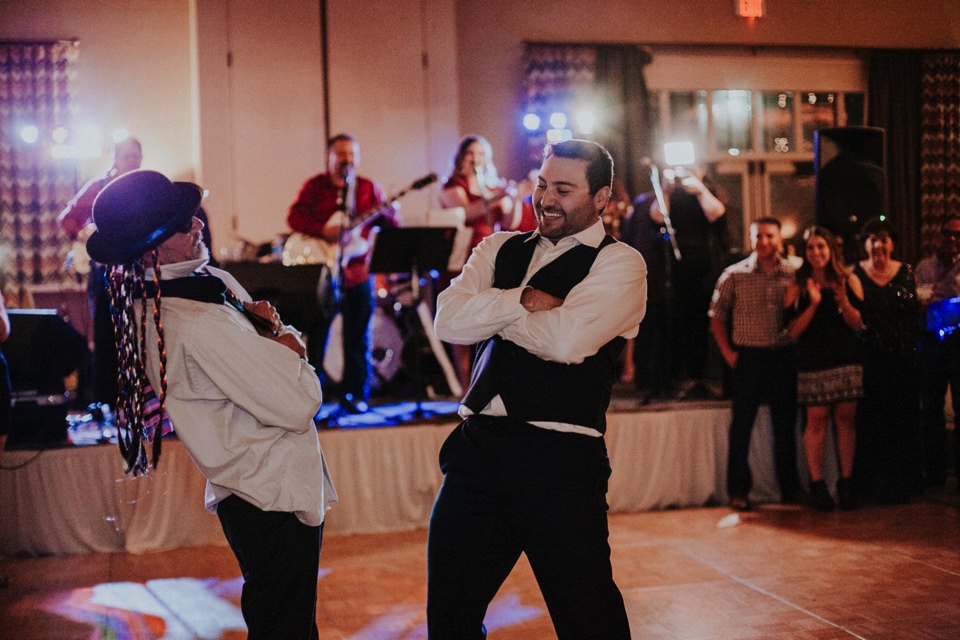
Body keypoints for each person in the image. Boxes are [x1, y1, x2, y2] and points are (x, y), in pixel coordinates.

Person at [86, 169, 335, 639]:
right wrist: (287, 340)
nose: (200, 225)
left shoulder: (198, 284)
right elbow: (301, 402)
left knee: (288, 618)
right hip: (267, 493)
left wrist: (272, 339)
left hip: (262, 485)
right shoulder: (193, 323)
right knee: (285, 625)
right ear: (154, 249)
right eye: (185, 225)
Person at [428, 139, 646, 639]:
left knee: (590, 622)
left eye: (564, 189)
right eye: (543, 184)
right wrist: (523, 300)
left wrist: (491, 315)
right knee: (449, 618)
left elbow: (567, 342)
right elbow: (448, 320)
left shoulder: (621, 263)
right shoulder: (498, 247)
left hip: (561, 461)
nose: (546, 198)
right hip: (477, 454)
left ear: (601, 198)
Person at [288, 133, 398, 414]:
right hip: (324, 275)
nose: (347, 159)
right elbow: (294, 217)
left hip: (358, 272)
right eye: (341, 154)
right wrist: (323, 230)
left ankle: (355, 395)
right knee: (317, 336)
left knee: (358, 337)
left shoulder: (368, 188)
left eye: (351, 154)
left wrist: (390, 213)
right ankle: (314, 397)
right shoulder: (315, 187)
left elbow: (391, 224)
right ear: (330, 158)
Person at [708, 218, 803, 511]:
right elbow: (716, 317)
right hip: (747, 357)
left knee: (785, 426)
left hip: (782, 357)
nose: (763, 241)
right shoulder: (733, 275)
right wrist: (730, 355)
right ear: (751, 239)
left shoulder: (794, 273)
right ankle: (738, 490)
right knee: (742, 427)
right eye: (758, 236)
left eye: (769, 236)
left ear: (779, 238)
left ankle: (790, 489)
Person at [58, 137, 144, 406]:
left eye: (136, 155)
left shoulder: (146, 187)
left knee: (141, 333)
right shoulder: (99, 187)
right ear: (115, 158)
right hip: (107, 275)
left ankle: (143, 399)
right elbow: (67, 219)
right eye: (127, 155)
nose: (132, 161)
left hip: (140, 272)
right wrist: (85, 234)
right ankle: (109, 401)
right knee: (108, 337)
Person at [786, 226, 865, 511]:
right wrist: (814, 304)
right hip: (812, 361)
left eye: (821, 246)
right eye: (810, 247)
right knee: (816, 421)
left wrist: (842, 301)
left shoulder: (848, 279)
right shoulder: (798, 282)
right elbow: (791, 332)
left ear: (831, 249)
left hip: (845, 358)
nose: (816, 252)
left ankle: (846, 484)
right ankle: (818, 486)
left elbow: (858, 325)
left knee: (846, 422)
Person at [438, 135, 517, 394]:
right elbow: (467, 212)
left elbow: (509, 223)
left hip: (493, 257)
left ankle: (490, 381)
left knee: (491, 318)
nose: (476, 158)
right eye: (471, 153)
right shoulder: (453, 185)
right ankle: (464, 384)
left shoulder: (493, 186)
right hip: (463, 257)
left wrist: (513, 199)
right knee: (463, 319)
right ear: (461, 158)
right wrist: (497, 198)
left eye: (480, 154)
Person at [851, 218, 923, 504]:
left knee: (902, 420)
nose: (878, 245)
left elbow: (915, 311)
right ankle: (871, 486)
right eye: (872, 239)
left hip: (903, 359)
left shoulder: (907, 272)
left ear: (892, 243)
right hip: (870, 359)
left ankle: (902, 485)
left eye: (884, 239)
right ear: (865, 244)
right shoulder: (855, 273)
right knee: (871, 422)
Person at [650, 164, 727, 399]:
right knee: (677, 323)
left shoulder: (710, 190)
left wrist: (700, 189)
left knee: (703, 324)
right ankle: (680, 377)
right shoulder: (671, 194)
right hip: (676, 269)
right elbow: (656, 215)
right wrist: (665, 190)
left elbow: (716, 213)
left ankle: (702, 376)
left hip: (705, 268)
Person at [915, 214, 960, 489]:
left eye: (958, 235)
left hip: (959, 343)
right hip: (931, 342)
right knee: (931, 409)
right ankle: (934, 475)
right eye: (948, 233)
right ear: (940, 236)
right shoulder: (924, 266)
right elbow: (918, 297)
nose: (953, 239)